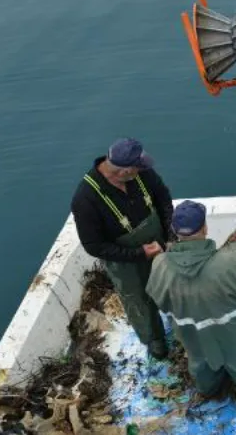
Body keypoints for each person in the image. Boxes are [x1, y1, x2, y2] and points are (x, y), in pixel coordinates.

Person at [146, 201, 236, 416]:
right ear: (205, 228)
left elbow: (158, 299)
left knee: (201, 363)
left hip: (192, 336)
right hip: (234, 335)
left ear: (174, 231)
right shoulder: (230, 258)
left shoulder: (160, 264)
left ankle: (209, 391)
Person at [71, 138, 173, 359]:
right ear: (125, 171)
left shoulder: (143, 173)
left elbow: (163, 198)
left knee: (173, 283)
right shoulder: (85, 198)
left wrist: (169, 235)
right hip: (126, 262)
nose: (144, 170)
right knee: (138, 300)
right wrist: (138, 253)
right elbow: (93, 245)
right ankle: (154, 339)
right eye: (139, 167)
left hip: (160, 243)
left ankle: (182, 323)